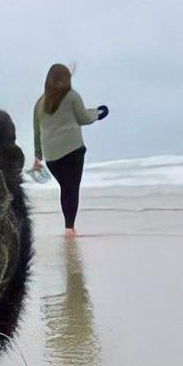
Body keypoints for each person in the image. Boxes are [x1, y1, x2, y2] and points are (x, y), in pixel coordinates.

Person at [32, 64, 108, 238]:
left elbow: (36, 131)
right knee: (71, 188)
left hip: (52, 157)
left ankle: (69, 228)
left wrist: (38, 156)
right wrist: (98, 113)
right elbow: (83, 118)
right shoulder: (72, 97)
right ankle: (69, 229)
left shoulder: (40, 103)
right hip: (72, 150)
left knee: (66, 188)